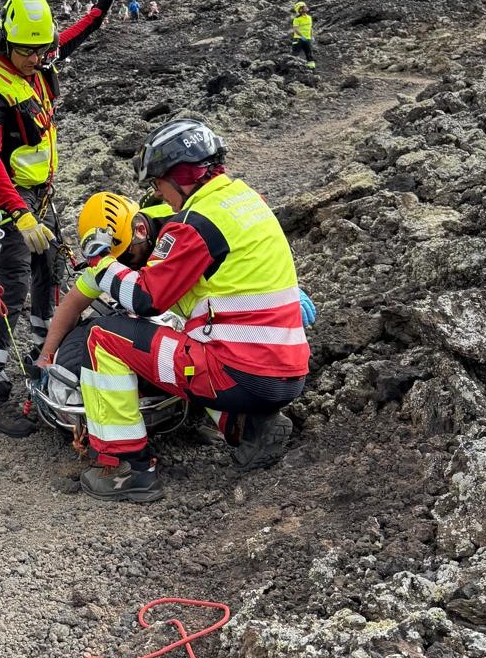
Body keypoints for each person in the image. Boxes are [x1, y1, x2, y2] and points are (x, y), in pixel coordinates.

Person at [37, 118, 311, 502]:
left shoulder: (193, 225)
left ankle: (127, 467)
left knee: (106, 337)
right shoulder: (245, 199)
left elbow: (148, 299)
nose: (159, 194)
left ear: (179, 175)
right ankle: (250, 428)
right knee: (191, 332)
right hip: (287, 369)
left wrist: (102, 265)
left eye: (158, 183)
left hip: (239, 374)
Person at [0, 0, 123, 437]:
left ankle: (43, 363)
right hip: (11, 195)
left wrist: (98, 12)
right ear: (4, 41)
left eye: (41, 50)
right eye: (28, 51)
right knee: (11, 288)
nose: (37, 59)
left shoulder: (36, 58)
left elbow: (65, 43)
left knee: (47, 277)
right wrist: (19, 213)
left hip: (42, 192)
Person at [291, 1, 316, 68]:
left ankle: (311, 65)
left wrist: (312, 36)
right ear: (300, 10)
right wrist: (302, 36)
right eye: (304, 7)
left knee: (309, 52)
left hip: (307, 38)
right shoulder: (297, 19)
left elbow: (310, 28)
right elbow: (296, 29)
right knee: (295, 53)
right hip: (298, 39)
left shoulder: (309, 17)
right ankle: (293, 66)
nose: (306, 7)